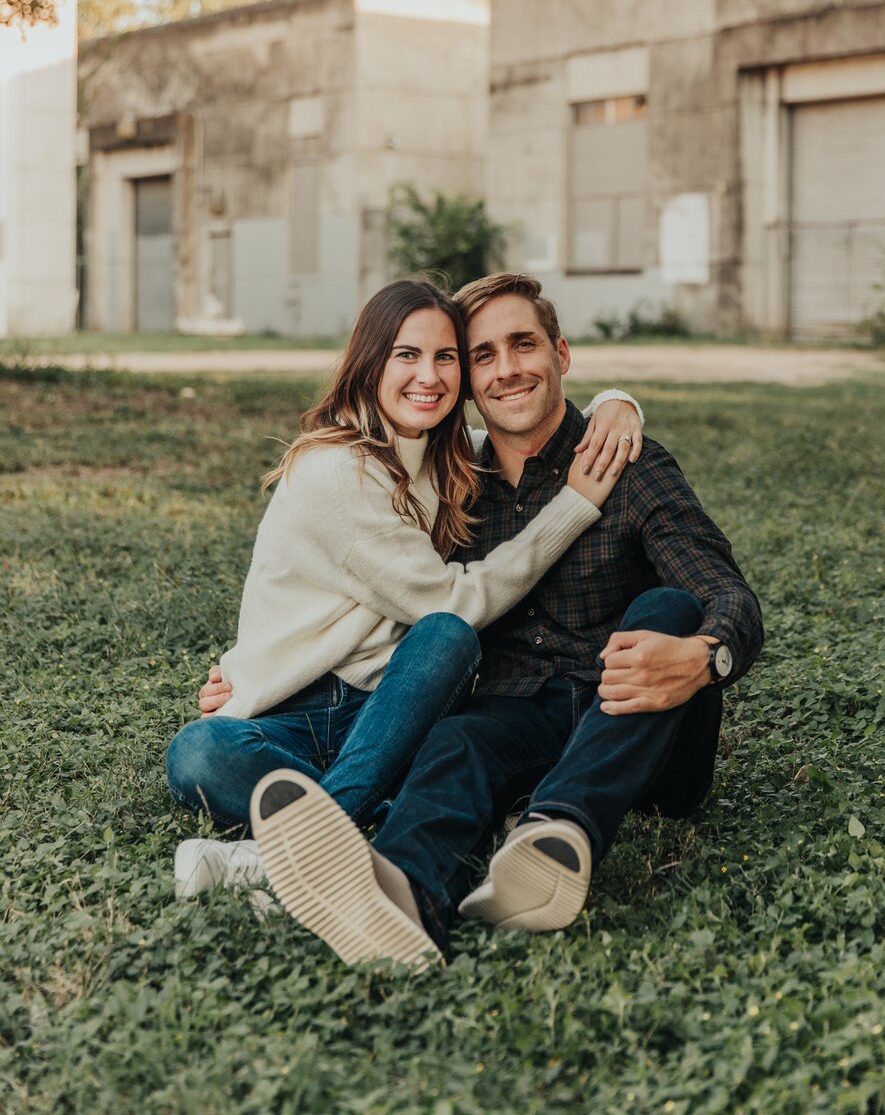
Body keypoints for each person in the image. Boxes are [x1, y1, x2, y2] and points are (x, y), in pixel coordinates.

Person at [249, 272, 764, 967]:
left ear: (562, 354)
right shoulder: (461, 482)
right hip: (521, 718)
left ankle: (555, 827)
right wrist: (244, 668)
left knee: (668, 609)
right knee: (458, 741)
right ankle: (400, 901)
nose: (507, 370)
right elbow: (378, 591)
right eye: (482, 355)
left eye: (524, 345)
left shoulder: (624, 463)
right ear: (466, 382)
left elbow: (730, 595)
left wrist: (707, 657)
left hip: (643, 728)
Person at [166, 277, 642, 896]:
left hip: (392, 704)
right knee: (198, 753)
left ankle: (300, 845)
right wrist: (575, 504)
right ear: (370, 363)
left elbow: (528, 432)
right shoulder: (337, 471)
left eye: (446, 357)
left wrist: (616, 401)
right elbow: (457, 599)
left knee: (447, 649)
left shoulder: (442, 456)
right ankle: (362, 822)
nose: (430, 376)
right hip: (296, 712)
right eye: (407, 355)